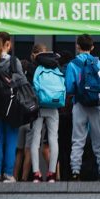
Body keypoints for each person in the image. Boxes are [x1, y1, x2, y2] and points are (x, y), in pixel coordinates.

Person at [65, 34, 100, 181]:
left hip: (79, 104)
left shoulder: (72, 65)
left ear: (78, 46)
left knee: (78, 139)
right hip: (97, 105)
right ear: (92, 47)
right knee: (99, 138)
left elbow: (69, 87)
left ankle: (75, 171)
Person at [0, 32, 19, 182]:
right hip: (12, 107)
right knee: (11, 140)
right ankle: (7, 173)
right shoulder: (13, 61)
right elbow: (22, 81)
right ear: (7, 44)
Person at [31, 46, 63, 182]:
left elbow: (35, 86)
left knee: (36, 138)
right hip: (54, 107)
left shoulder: (38, 69)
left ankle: (36, 173)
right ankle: (52, 173)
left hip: (40, 107)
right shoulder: (57, 69)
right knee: (53, 139)